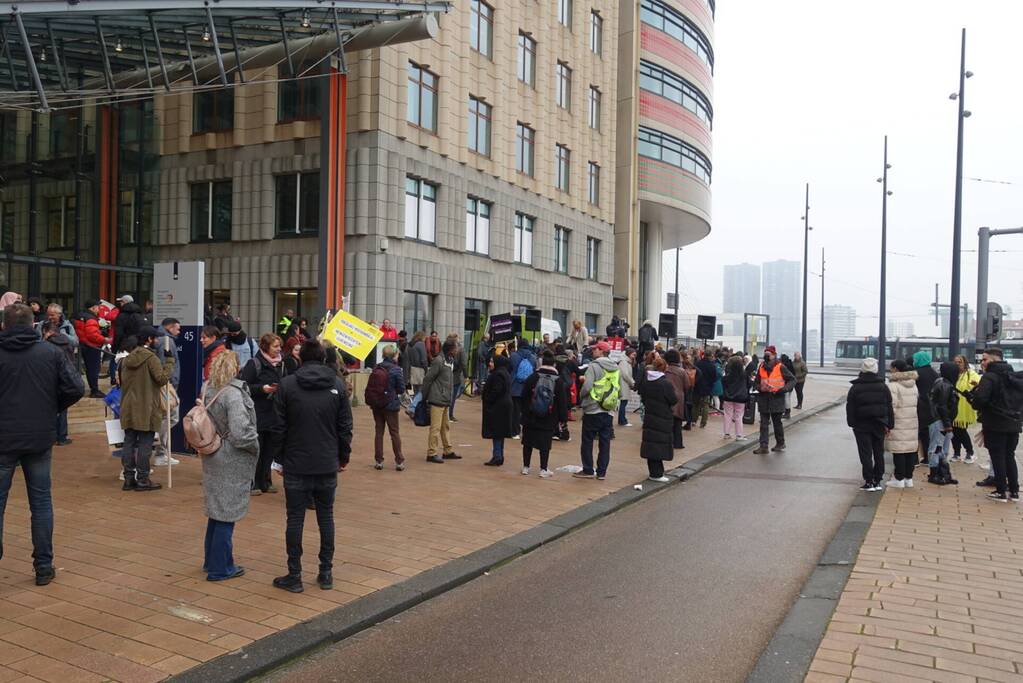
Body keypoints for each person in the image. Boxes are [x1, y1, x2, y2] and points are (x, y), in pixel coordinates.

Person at [0, 303, 84, 586]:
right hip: (39, 436)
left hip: (4, 438)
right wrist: (53, 409)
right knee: (41, 502)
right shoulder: (49, 353)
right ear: (33, 323)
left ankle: (44, 565)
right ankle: (44, 566)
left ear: (4, 325)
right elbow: (76, 387)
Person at [272, 340, 353, 593]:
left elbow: (278, 428)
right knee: (326, 516)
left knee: (295, 518)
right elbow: (345, 427)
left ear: (301, 359)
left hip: (296, 462)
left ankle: (294, 574)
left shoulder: (286, 385)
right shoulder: (337, 385)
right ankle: (325, 571)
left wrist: (279, 459)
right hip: (327, 462)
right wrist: (343, 456)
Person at [201, 351, 259, 581]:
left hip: (212, 453)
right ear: (235, 368)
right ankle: (220, 568)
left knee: (216, 511)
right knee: (227, 514)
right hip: (231, 458)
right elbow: (241, 432)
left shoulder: (208, 387)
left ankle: (211, 561)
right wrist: (255, 444)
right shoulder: (233, 395)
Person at [118, 327, 175, 491]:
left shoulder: (126, 359)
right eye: (155, 338)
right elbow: (162, 379)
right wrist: (170, 362)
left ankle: (128, 479)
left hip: (128, 406)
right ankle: (143, 479)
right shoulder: (151, 358)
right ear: (149, 339)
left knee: (128, 442)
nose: (157, 341)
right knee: (145, 443)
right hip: (147, 407)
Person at [967, 348, 1023, 502]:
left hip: (995, 423)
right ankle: (1014, 491)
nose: (982, 362)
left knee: (997, 456)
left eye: (985, 359)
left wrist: (973, 399)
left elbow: (980, 401)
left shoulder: (989, 377)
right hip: (1014, 422)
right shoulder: (1013, 375)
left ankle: (1000, 491)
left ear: (993, 360)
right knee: (1009, 456)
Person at [240, 333, 287, 493]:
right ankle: (254, 482)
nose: (278, 349)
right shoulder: (254, 364)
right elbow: (244, 386)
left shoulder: (281, 364)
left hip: (275, 413)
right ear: (265, 347)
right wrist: (262, 389)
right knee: (257, 448)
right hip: (258, 413)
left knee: (270, 448)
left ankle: (266, 480)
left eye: (279, 346)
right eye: (275, 346)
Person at [846, 358, 894, 491]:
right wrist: (890, 424)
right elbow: (889, 406)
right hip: (879, 424)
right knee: (878, 452)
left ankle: (868, 481)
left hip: (861, 425)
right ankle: (878, 480)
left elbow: (850, 407)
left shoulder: (855, 387)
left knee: (865, 453)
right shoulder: (883, 386)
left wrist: (852, 423)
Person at [573, 341, 620, 480]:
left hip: (593, 408)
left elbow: (587, 387)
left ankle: (588, 470)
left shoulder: (594, 366)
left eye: (595, 349)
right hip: (608, 409)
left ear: (601, 351)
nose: (593, 351)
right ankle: (601, 472)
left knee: (587, 440)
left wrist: (581, 396)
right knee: (605, 442)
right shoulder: (615, 367)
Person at [519, 351, 569, 478]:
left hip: (531, 416)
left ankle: (526, 467)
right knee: (545, 444)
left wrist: (524, 413)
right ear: (554, 364)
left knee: (528, 442)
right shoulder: (558, 381)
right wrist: (563, 419)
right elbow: (562, 402)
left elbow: (523, 396)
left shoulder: (533, 377)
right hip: (549, 417)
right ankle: (543, 469)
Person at [637, 354, 677, 482]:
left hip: (650, 415)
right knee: (659, 444)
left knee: (651, 443)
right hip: (662, 417)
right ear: (664, 369)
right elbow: (673, 399)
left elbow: (643, 397)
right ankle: (657, 474)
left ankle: (654, 471)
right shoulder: (665, 384)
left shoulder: (647, 382)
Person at [367, 345, 405, 471]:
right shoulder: (396, 369)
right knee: (394, 432)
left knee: (379, 432)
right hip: (391, 404)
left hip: (377, 404)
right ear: (394, 355)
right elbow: (401, 389)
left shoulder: (377, 367)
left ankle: (378, 460)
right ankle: (399, 461)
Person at [421, 339, 460, 464]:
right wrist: (424, 396)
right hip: (437, 398)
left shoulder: (450, 360)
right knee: (435, 428)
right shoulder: (438, 361)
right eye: (456, 347)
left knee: (445, 426)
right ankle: (431, 453)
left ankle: (447, 450)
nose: (457, 349)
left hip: (445, 399)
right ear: (450, 349)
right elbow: (428, 378)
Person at [752, 346, 796, 455]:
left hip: (777, 398)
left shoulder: (781, 367)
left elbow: (792, 379)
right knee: (763, 424)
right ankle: (763, 446)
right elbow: (756, 382)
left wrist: (784, 389)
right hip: (764, 398)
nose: (767, 356)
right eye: (765, 354)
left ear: (774, 355)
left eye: (769, 354)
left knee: (777, 423)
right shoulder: (761, 366)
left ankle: (780, 443)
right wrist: (760, 387)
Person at [152, 318, 183, 467]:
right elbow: (167, 364)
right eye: (177, 328)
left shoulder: (160, 338)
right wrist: (171, 382)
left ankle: (161, 450)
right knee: (171, 417)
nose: (179, 331)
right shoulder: (166, 341)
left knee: (168, 417)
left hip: (165, 384)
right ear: (170, 327)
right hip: (166, 385)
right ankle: (160, 450)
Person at [40, 321, 76, 446]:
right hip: (64, 380)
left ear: (47, 332)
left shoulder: (45, 345)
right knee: (63, 409)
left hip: (49, 380)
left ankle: (51, 436)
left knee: (49, 409)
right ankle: (62, 436)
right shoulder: (67, 343)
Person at [886, 359, 919, 488]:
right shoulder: (913, 384)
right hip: (912, 420)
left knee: (899, 450)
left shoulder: (894, 385)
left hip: (899, 422)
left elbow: (891, 406)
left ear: (895, 369)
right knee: (910, 450)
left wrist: (888, 423)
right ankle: (909, 478)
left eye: (891, 367)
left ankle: (899, 479)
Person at [926, 361, 960, 486]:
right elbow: (942, 406)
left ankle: (943, 473)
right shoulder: (945, 385)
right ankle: (935, 473)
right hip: (940, 421)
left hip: (940, 420)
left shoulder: (942, 383)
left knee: (942, 448)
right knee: (937, 448)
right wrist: (947, 424)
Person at [72, 299, 111, 398]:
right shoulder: (91, 319)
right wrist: (105, 339)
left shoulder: (79, 316)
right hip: (92, 346)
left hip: (83, 344)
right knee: (93, 369)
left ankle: (91, 388)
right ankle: (94, 390)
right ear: (93, 308)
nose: (99, 309)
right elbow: (93, 335)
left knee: (88, 369)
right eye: (98, 307)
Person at [482, 355, 515, 467]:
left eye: (492, 361)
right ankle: (499, 456)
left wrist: (488, 399)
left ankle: (497, 456)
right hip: (504, 406)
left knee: (496, 432)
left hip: (498, 407)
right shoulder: (504, 372)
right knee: (499, 433)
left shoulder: (498, 374)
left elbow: (496, 390)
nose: (489, 364)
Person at [951, 354, 980, 464]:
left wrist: (976, 384)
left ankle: (970, 452)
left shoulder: (970, 374)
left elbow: (979, 385)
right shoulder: (953, 375)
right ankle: (956, 453)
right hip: (953, 406)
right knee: (953, 431)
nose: (957, 364)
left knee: (961, 431)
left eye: (960, 362)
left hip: (964, 408)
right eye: (956, 362)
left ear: (965, 363)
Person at [913, 351, 938, 467]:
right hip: (932, 406)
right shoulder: (934, 373)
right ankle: (928, 457)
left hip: (920, 405)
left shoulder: (917, 373)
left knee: (919, 432)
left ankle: (916, 458)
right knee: (928, 433)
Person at [508, 341, 537, 438]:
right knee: (527, 411)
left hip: (515, 388)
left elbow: (509, 370)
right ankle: (527, 432)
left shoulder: (513, 356)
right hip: (528, 388)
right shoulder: (533, 357)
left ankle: (515, 432)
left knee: (515, 411)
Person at [664, 349, 689, 448]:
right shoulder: (682, 371)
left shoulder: (665, 369)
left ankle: (667, 441)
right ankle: (678, 443)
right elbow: (687, 386)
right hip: (679, 397)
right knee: (677, 422)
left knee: (667, 420)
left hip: (666, 396)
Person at [721, 352, 749, 440]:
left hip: (728, 397)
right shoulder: (744, 375)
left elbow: (723, 382)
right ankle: (739, 435)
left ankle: (726, 433)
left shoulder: (727, 375)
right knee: (739, 416)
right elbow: (749, 384)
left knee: (727, 415)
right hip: (740, 397)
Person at [693, 351, 717, 428]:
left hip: (697, 386)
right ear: (710, 356)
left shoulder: (698, 364)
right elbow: (714, 378)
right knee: (705, 405)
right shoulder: (712, 366)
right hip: (707, 388)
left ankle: (694, 420)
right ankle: (703, 423)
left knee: (696, 404)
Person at [448, 334, 467, 423]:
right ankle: (450, 415)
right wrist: (466, 375)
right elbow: (464, 363)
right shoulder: (461, 350)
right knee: (453, 396)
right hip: (456, 376)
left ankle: (447, 414)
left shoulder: (446, 348)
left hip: (446, 375)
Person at [617, 349, 637, 428]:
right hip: (624, 384)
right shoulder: (624, 362)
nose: (634, 356)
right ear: (628, 354)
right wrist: (632, 382)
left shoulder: (625, 361)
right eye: (633, 354)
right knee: (623, 403)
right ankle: (622, 421)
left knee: (623, 403)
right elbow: (625, 374)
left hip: (624, 384)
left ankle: (622, 420)